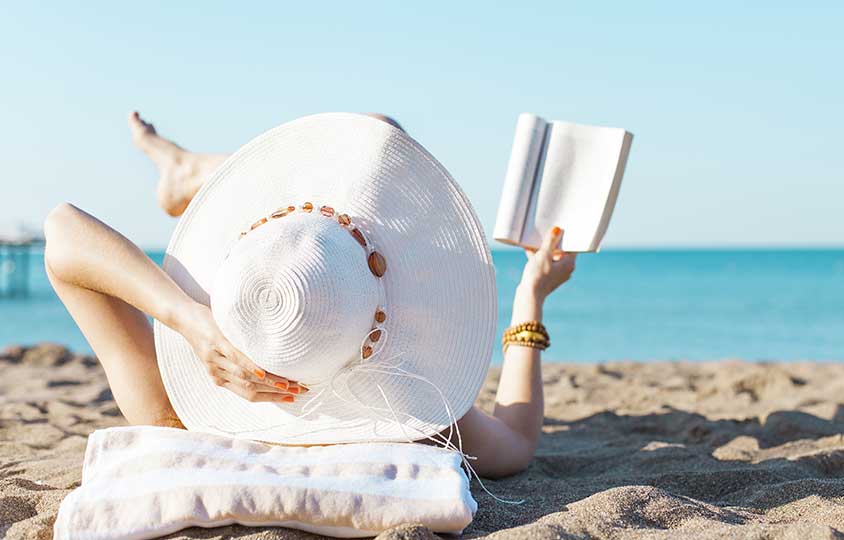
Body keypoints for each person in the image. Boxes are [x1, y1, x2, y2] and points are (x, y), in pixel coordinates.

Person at [43, 111, 576, 479]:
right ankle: (196, 172)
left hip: (211, 339)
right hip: (305, 349)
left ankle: (192, 173)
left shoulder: (174, 416)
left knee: (372, 133)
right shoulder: (412, 422)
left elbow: (63, 229)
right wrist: (531, 293)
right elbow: (517, 440)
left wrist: (189, 320)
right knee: (377, 131)